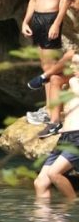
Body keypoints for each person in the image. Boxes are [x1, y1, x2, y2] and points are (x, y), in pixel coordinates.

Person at [21, 0, 70, 138]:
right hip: (38, 19)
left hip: (51, 18)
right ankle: (49, 111)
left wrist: (57, 23)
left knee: (51, 71)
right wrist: (25, 20)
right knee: (45, 68)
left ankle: (55, 119)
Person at [33, 54, 79, 200]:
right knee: (40, 183)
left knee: (54, 173)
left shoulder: (74, 83)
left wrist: (72, 81)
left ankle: (73, 205)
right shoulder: (74, 83)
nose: (72, 67)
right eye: (72, 64)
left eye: (76, 64)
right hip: (65, 138)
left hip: (78, 138)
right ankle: (44, 220)